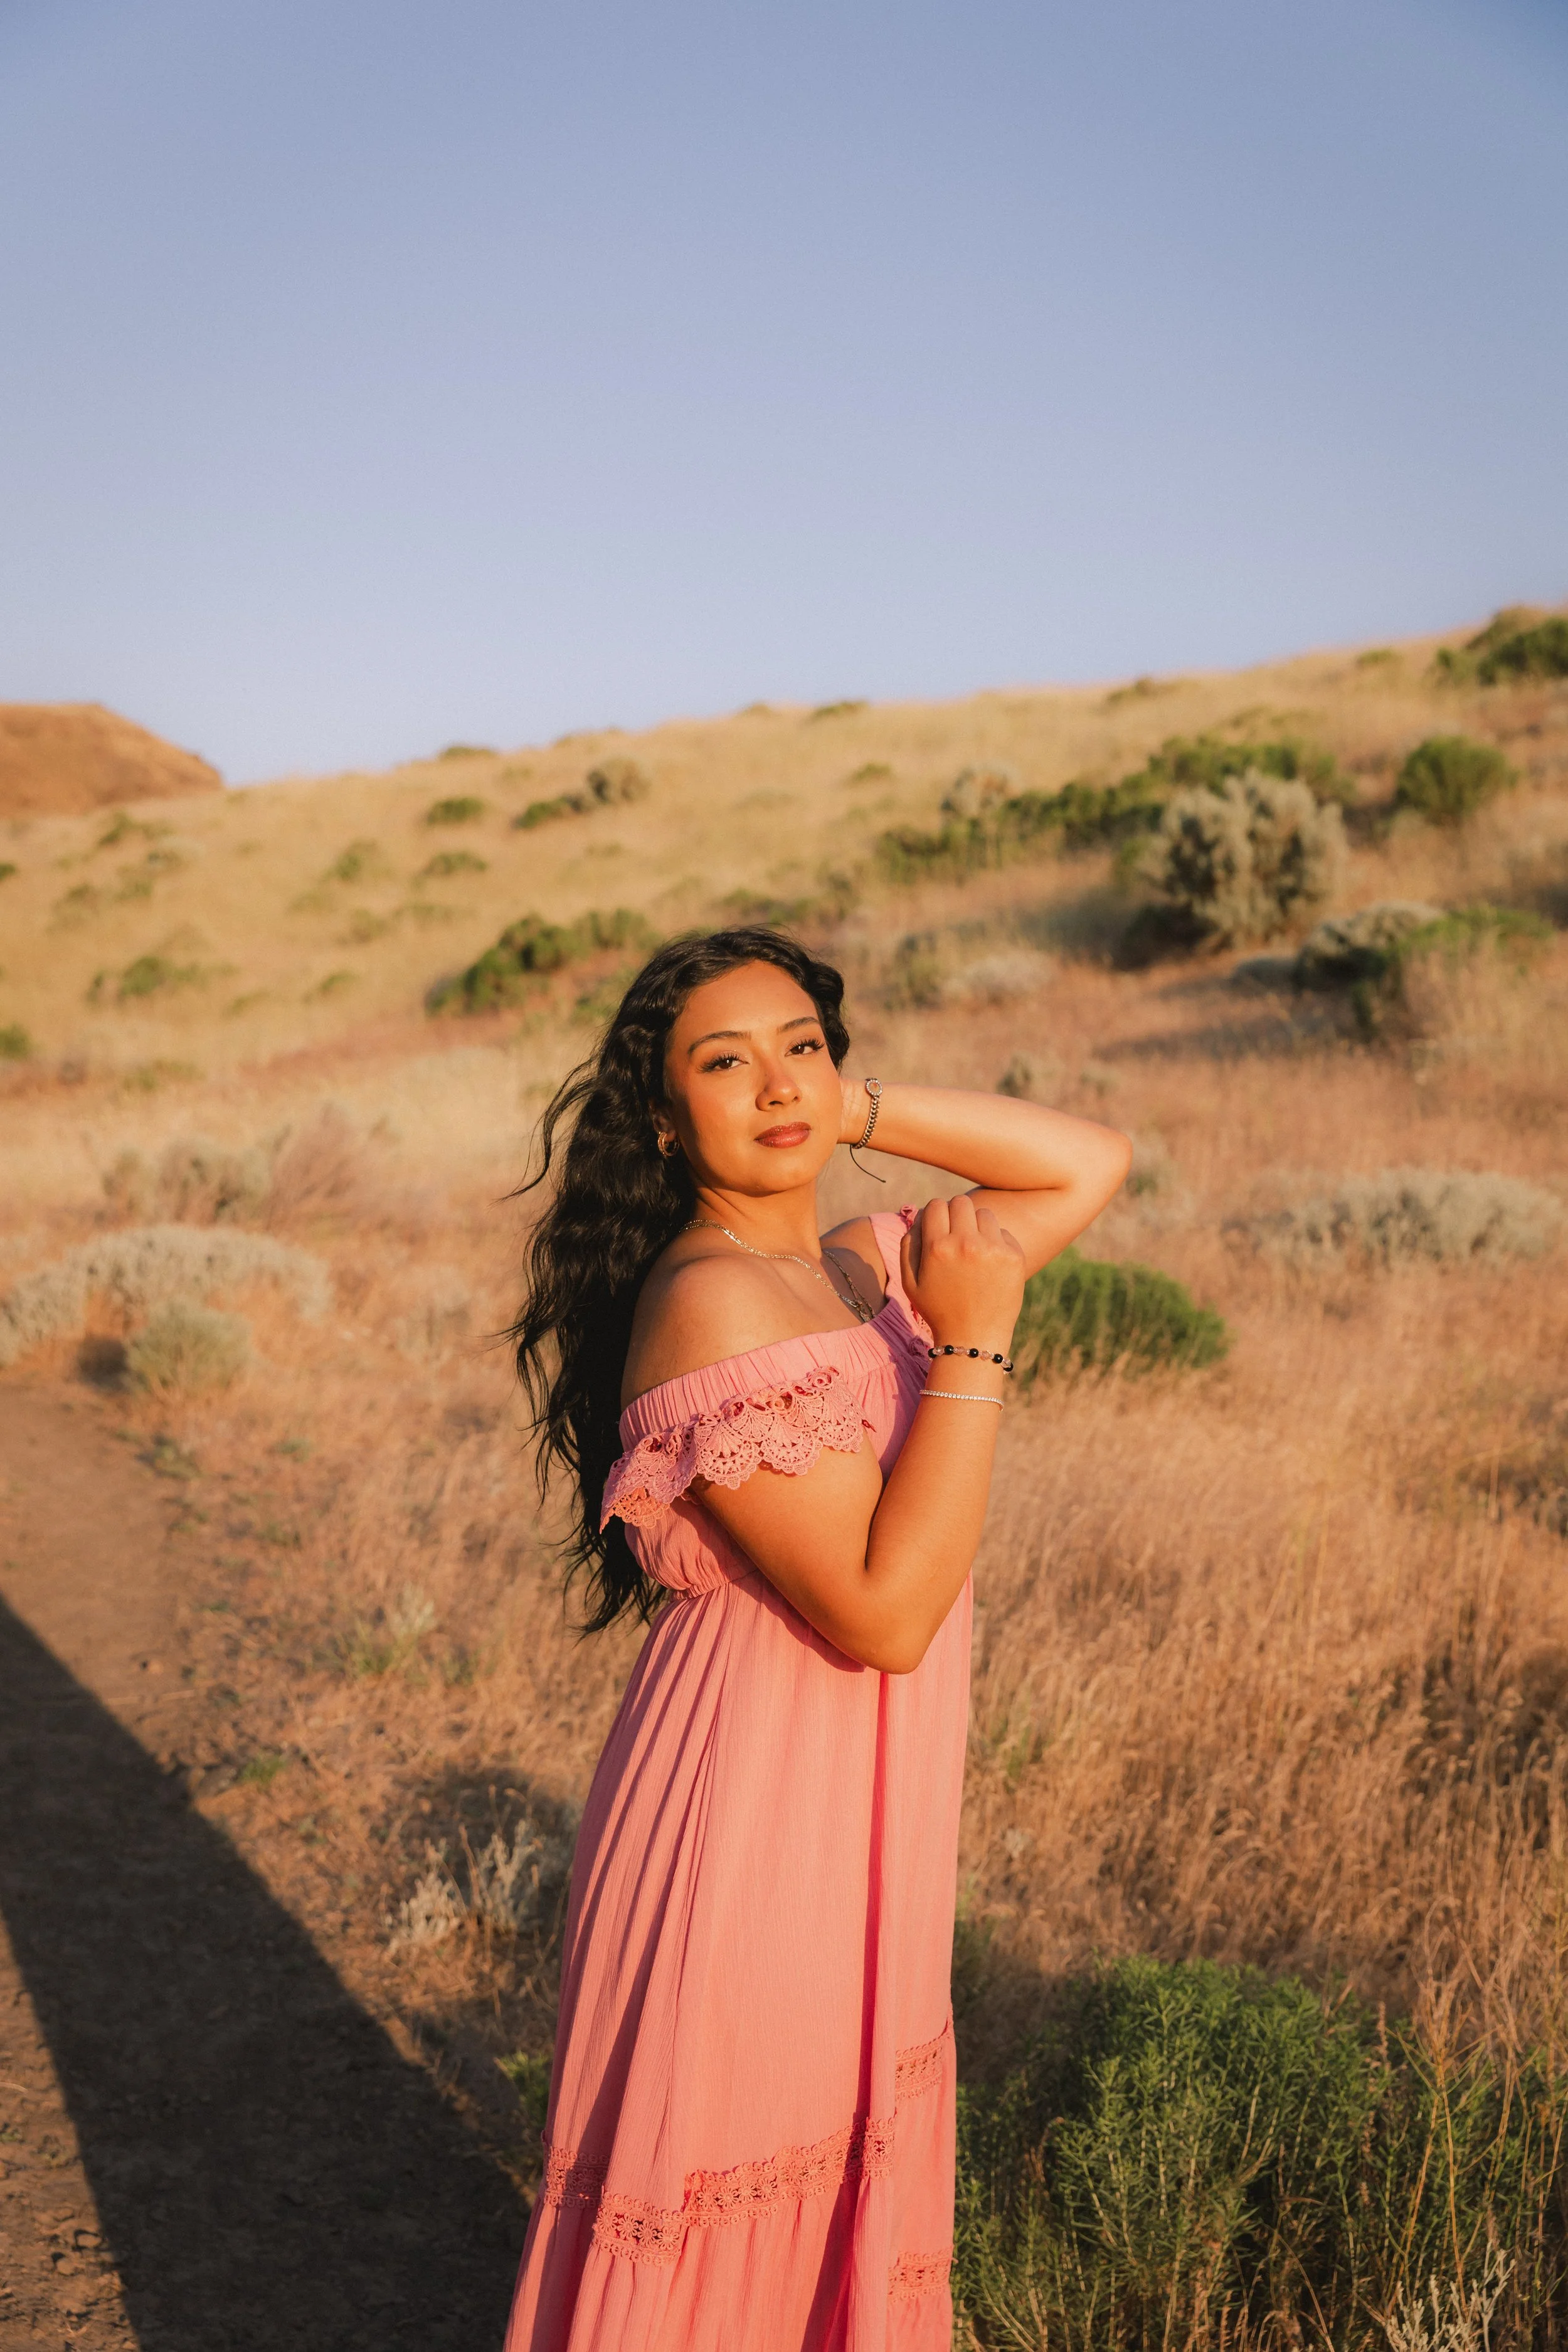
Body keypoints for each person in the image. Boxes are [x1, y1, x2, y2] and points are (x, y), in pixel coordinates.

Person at [502, 926, 1130, 2352]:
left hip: (853, 1811)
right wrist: (972, 1346)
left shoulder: (860, 1268)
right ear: (664, 1119)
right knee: (736, 2223)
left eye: (803, 1048)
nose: (779, 1084)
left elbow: (1086, 1161)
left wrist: (855, 1112)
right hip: (751, 1825)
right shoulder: (713, 1300)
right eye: (725, 1064)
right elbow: (885, 1614)